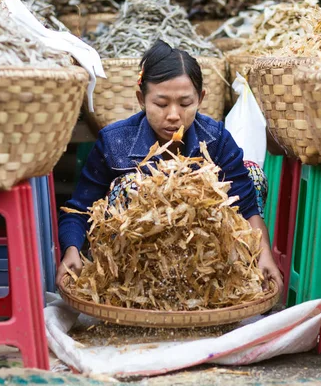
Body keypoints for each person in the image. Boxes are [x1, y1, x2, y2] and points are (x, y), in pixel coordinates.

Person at [57, 39, 283, 292]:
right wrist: (72, 251)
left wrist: (264, 255)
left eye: (185, 104)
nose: (174, 115)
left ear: (201, 99)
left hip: (204, 259)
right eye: (161, 104)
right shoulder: (115, 141)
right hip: (136, 264)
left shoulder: (216, 139)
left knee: (251, 173)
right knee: (130, 185)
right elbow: (79, 210)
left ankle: (226, 278)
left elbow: (247, 208)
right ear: (141, 99)